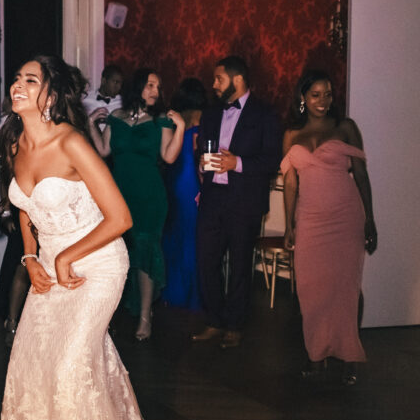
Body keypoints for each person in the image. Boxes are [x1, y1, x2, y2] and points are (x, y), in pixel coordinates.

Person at [0, 54, 182, 420]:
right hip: (50, 268)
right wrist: (30, 257)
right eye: (16, 78)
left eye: (30, 79)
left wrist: (65, 257)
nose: (17, 85)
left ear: (52, 95)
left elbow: (120, 217)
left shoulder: (72, 142)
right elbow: (25, 209)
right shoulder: (14, 142)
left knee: (71, 367)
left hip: (96, 265)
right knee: (31, 365)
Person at [281, 70, 377, 385]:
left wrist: (370, 218)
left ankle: (349, 357)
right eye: (315, 95)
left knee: (346, 288)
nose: (323, 101)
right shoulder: (291, 134)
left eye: (328, 94)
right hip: (310, 219)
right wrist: (289, 224)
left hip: (346, 217)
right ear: (303, 98)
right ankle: (316, 355)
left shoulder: (345, 127)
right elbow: (290, 183)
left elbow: (360, 174)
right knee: (310, 288)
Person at [192, 56, 282, 348]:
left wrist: (238, 163)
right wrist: (202, 162)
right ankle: (214, 320)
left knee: (241, 264)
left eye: (219, 79)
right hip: (213, 198)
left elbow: (272, 160)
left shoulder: (265, 113)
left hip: (245, 201)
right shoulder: (210, 113)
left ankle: (235, 325)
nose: (214, 84)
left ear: (238, 79)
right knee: (206, 260)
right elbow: (201, 150)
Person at [89, 68, 185, 340]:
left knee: (145, 253)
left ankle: (145, 317)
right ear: (138, 86)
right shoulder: (117, 117)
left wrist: (181, 128)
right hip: (118, 195)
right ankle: (109, 315)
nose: (155, 91)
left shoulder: (160, 120)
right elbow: (104, 150)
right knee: (115, 255)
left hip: (149, 197)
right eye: (150, 85)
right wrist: (90, 124)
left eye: (158, 86)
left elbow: (168, 157)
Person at [161, 77, 207, 309]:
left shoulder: (175, 118)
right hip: (192, 183)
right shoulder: (202, 118)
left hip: (174, 179)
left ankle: (173, 291)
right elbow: (201, 157)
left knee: (175, 235)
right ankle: (191, 295)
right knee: (191, 238)